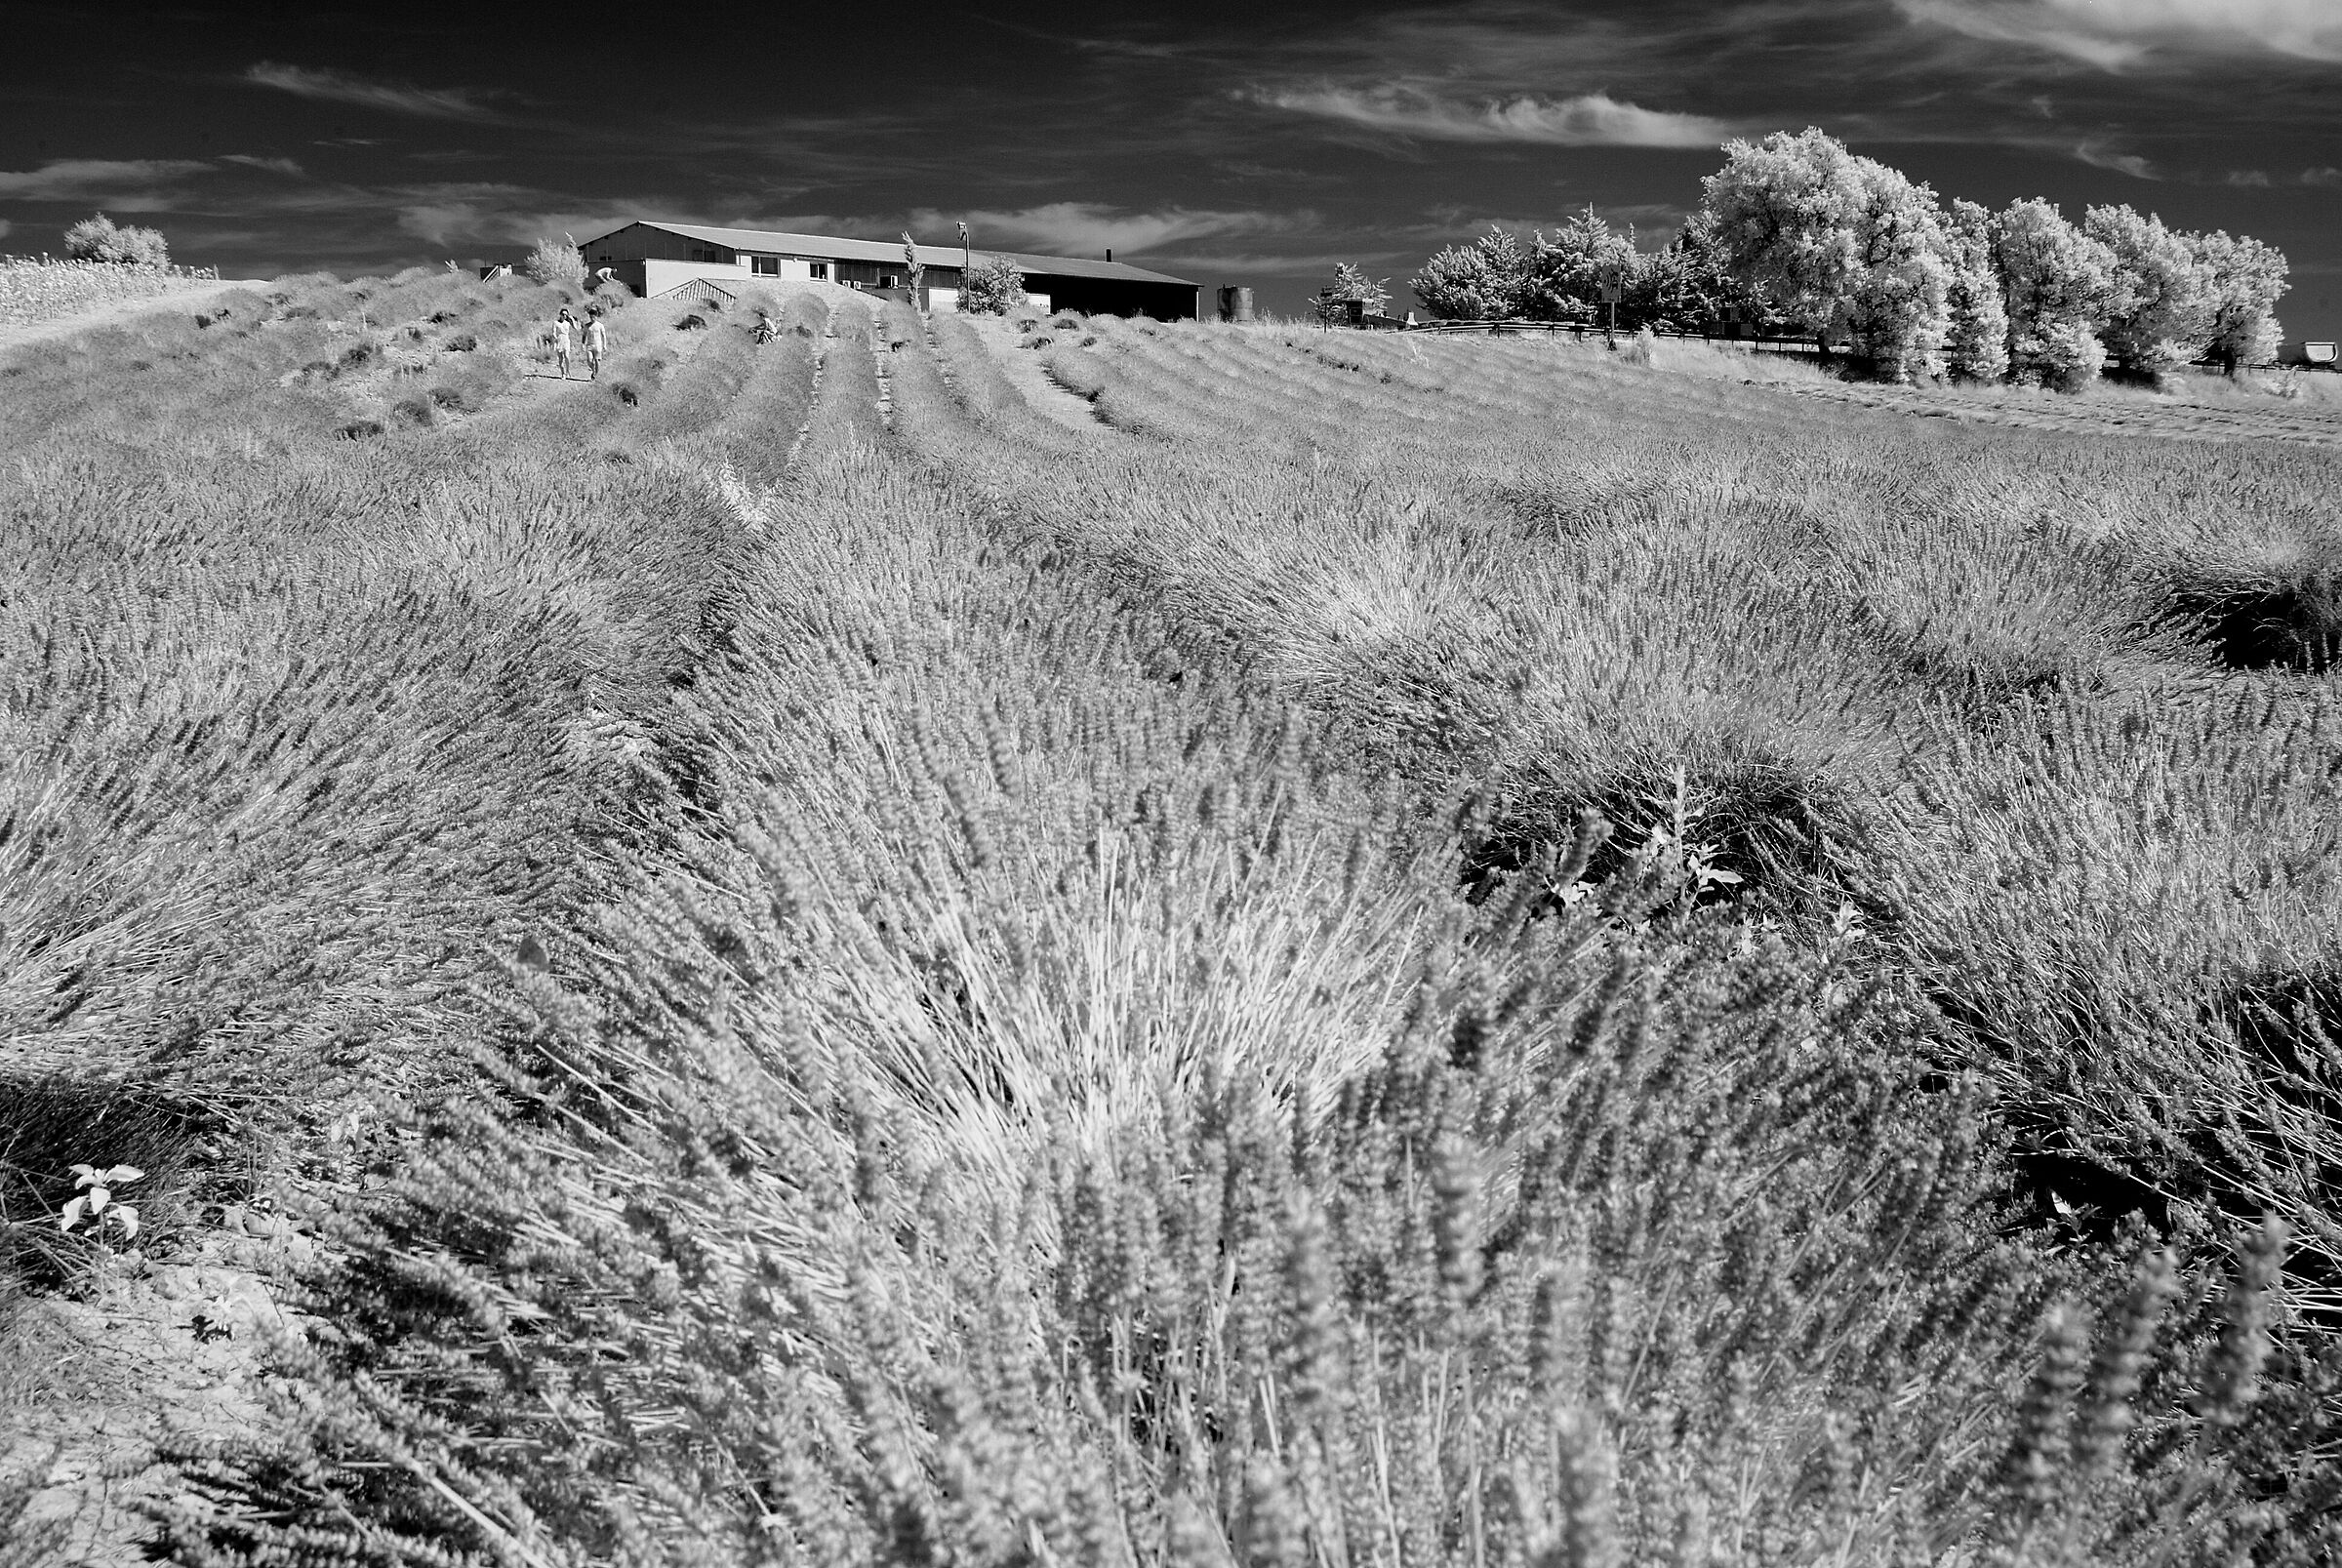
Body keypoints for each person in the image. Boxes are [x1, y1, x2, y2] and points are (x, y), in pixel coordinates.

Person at [584, 311, 608, 380]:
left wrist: (604, 345)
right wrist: (583, 344)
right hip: (589, 345)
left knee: (597, 360)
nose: (592, 318)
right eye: (591, 317)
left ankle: (596, 375)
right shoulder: (587, 325)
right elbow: (584, 335)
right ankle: (593, 369)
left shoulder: (600, 325)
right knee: (589, 360)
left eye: (593, 317)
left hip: (598, 345)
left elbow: (603, 336)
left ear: (596, 317)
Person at [552, 308, 576, 379]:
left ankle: (568, 370)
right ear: (560, 315)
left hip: (566, 339)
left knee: (567, 356)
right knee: (560, 358)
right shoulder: (556, 323)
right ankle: (563, 373)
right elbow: (553, 332)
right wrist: (555, 338)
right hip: (559, 339)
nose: (564, 316)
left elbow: (575, 328)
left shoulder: (568, 323)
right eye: (563, 314)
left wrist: (572, 320)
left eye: (566, 315)